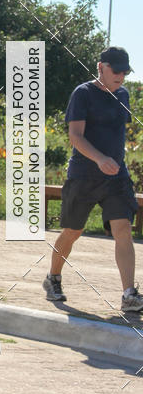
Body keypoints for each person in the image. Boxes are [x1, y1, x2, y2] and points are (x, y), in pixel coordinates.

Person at [43, 46, 141, 313]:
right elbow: (76, 135)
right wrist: (99, 158)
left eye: (125, 71)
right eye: (116, 70)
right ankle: (53, 278)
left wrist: (113, 162)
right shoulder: (83, 94)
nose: (121, 76)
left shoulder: (123, 94)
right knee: (73, 232)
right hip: (84, 175)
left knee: (123, 230)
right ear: (101, 67)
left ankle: (129, 294)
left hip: (116, 177)